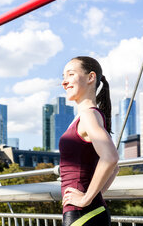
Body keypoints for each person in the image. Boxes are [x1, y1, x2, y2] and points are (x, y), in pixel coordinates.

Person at [59, 56, 119, 226]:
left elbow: (111, 158)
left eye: (70, 75)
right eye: (63, 77)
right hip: (87, 213)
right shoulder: (88, 115)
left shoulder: (88, 115)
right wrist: (93, 196)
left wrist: (86, 198)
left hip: (83, 214)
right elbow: (115, 168)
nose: (64, 82)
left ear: (91, 77)